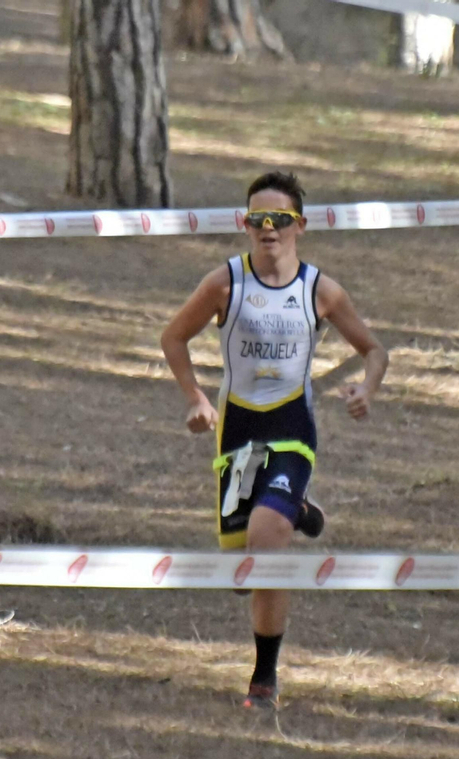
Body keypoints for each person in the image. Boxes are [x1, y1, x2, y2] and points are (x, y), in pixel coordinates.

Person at [160, 171, 388, 709]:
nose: (269, 229)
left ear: (299, 227)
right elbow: (173, 337)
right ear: (245, 224)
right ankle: (297, 509)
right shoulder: (224, 284)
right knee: (241, 575)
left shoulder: (320, 291)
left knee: (267, 542)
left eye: (280, 220)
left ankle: (264, 677)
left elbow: (374, 349)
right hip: (238, 430)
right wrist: (195, 397)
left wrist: (367, 389)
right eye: (258, 219)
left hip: (291, 428)